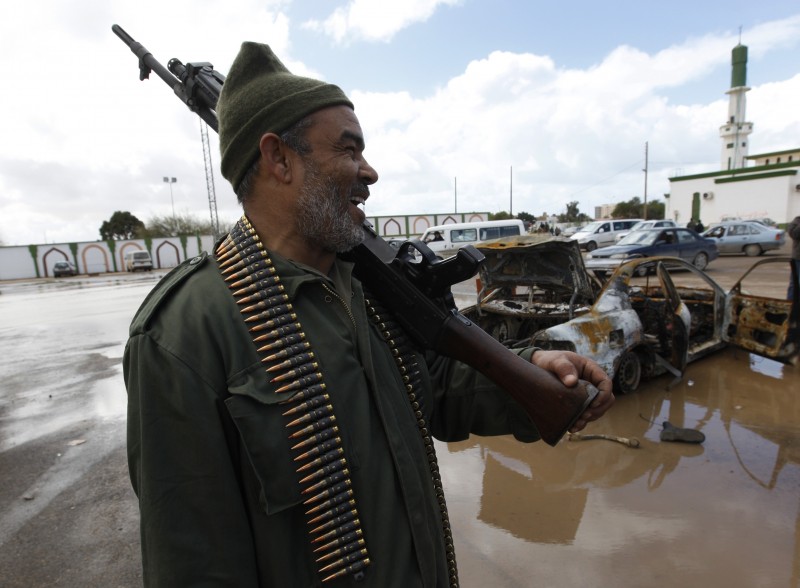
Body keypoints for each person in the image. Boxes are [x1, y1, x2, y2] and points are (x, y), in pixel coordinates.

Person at [123, 41, 614, 587]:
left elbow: (435, 387)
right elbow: (192, 563)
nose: (370, 171)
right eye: (349, 150)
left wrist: (536, 366)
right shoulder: (183, 332)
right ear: (278, 158)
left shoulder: (365, 286)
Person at [788, 215, 800, 300]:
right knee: (795, 283)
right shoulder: (797, 221)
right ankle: (790, 304)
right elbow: (794, 234)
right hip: (798, 259)